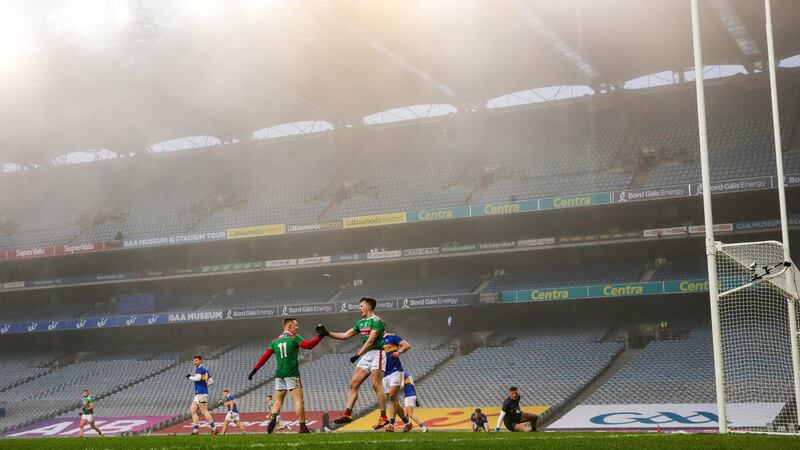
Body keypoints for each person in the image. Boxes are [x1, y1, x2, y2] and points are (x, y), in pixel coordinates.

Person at [317, 297, 389, 429]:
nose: (359, 308)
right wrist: (327, 333)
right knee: (353, 384)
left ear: (369, 307)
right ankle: (347, 414)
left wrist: (357, 354)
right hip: (366, 355)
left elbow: (371, 341)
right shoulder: (360, 323)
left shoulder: (378, 321)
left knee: (376, 385)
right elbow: (345, 335)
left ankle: (383, 418)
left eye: (361, 306)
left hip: (377, 353)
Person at [249, 317, 323, 434]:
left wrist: (254, 370)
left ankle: (273, 418)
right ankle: (303, 427)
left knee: (278, 401)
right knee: (299, 400)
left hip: (279, 375)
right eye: (296, 325)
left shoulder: (275, 341)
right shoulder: (294, 338)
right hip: (292, 374)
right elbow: (309, 346)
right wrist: (320, 336)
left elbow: (264, 357)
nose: (298, 327)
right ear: (289, 326)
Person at [382, 332, 412, 432]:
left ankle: (391, 425)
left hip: (395, 370)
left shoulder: (392, 337)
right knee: (393, 401)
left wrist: (399, 352)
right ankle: (407, 423)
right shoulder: (374, 341)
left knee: (392, 397)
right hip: (384, 374)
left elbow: (407, 345)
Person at [186, 355, 218, 435]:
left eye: (196, 360)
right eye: (194, 361)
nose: (195, 362)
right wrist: (204, 385)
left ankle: (214, 429)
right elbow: (211, 381)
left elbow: (197, 378)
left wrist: (189, 377)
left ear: (201, 361)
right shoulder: (205, 370)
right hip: (199, 393)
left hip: (201, 394)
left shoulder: (200, 369)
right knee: (193, 411)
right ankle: (196, 430)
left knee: (204, 411)